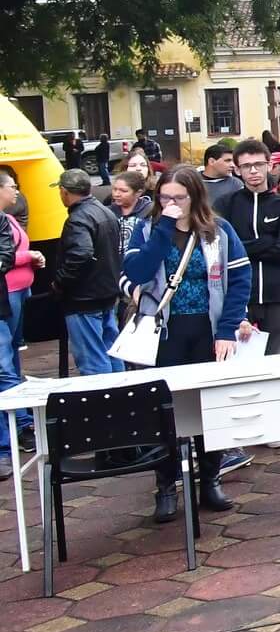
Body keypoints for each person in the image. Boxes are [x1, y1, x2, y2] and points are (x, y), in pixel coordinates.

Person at [122, 167, 250, 523]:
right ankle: (166, 485)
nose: (172, 204)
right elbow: (137, 273)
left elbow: (239, 278)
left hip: (206, 330)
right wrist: (164, 228)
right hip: (163, 332)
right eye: (165, 197)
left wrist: (226, 329)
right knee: (164, 410)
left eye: (180, 198)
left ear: (195, 197)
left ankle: (209, 478)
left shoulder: (219, 232)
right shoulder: (146, 229)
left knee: (208, 407)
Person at [220, 141, 280, 352]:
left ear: (269, 165)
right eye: (246, 166)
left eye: (258, 164)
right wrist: (265, 242)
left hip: (276, 293)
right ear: (237, 170)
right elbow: (224, 250)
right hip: (238, 296)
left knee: (276, 358)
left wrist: (242, 248)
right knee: (237, 361)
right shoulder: (226, 204)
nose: (253, 171)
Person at [51, 169, 124, 375]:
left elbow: (81, 253)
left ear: (64, 192)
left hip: (84, 298)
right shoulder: (105, 211)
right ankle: (123, 400)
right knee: (111, 352)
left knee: (92, 360)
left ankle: (103, 403)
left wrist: (60, 282)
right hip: (107, 293)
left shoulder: (78, 218)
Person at [0, 170, 46, 455]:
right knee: (5, 365)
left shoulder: (8, 219)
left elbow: (6, 253)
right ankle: (12, 436)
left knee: (11, 358)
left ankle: (20, 425)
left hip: (15, 293)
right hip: (9, 293)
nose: (17, 192)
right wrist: (26, 257)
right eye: (13, 187)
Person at [108, 169, 155, 251]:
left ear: (138, 193)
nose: (116, 194)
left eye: (123, 191)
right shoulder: (107, 212)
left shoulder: (150, 211)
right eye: (115, 189)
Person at [200, 143, 240, 207]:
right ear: (212, 161)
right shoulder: (191, 182)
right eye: (228, 161)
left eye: (233, 161)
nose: (233, 165)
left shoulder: (236, 185)